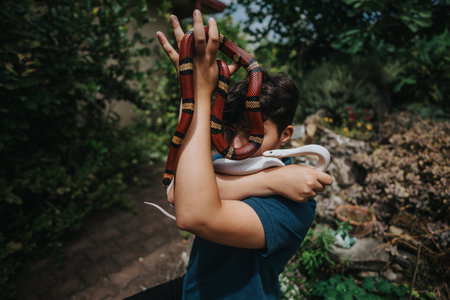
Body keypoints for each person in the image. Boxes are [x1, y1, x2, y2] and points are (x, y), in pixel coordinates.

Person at [126, 10, 332, 300]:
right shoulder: (237, 166)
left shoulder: (297, 202)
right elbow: (177, 193)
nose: (235, 144)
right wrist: (270, 181)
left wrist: (196, 91)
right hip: (192, 288)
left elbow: (194, 213)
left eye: (251, 133)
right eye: (231, 129)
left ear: (286, 135)